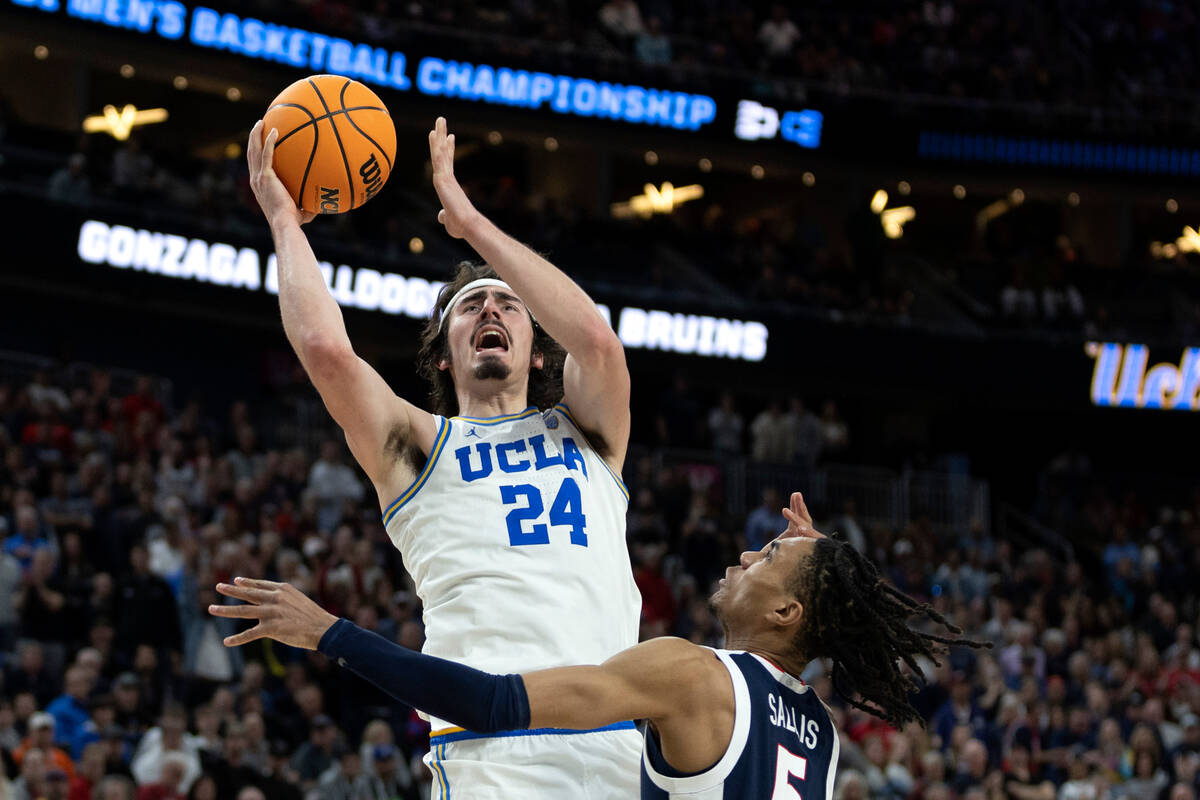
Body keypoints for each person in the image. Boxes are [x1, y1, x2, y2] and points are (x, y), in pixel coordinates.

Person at [245, 116, 641, 796]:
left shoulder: (591, 433)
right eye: (471, 306)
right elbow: (326, 351)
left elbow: (600, 343)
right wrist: (285, 222)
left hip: (616, 746)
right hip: (491, 749)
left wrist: (471, 224)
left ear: (538, 345)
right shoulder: (418, 445)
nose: (492, 309)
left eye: (510, 306)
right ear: (443, 350)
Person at [211, 493, 986, 798]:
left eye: (770, 559)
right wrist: (817, 567)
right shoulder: (817, 731)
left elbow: (490, 703)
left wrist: (331, 633)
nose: (749, 553)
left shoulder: (691, 674)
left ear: (788, 610)